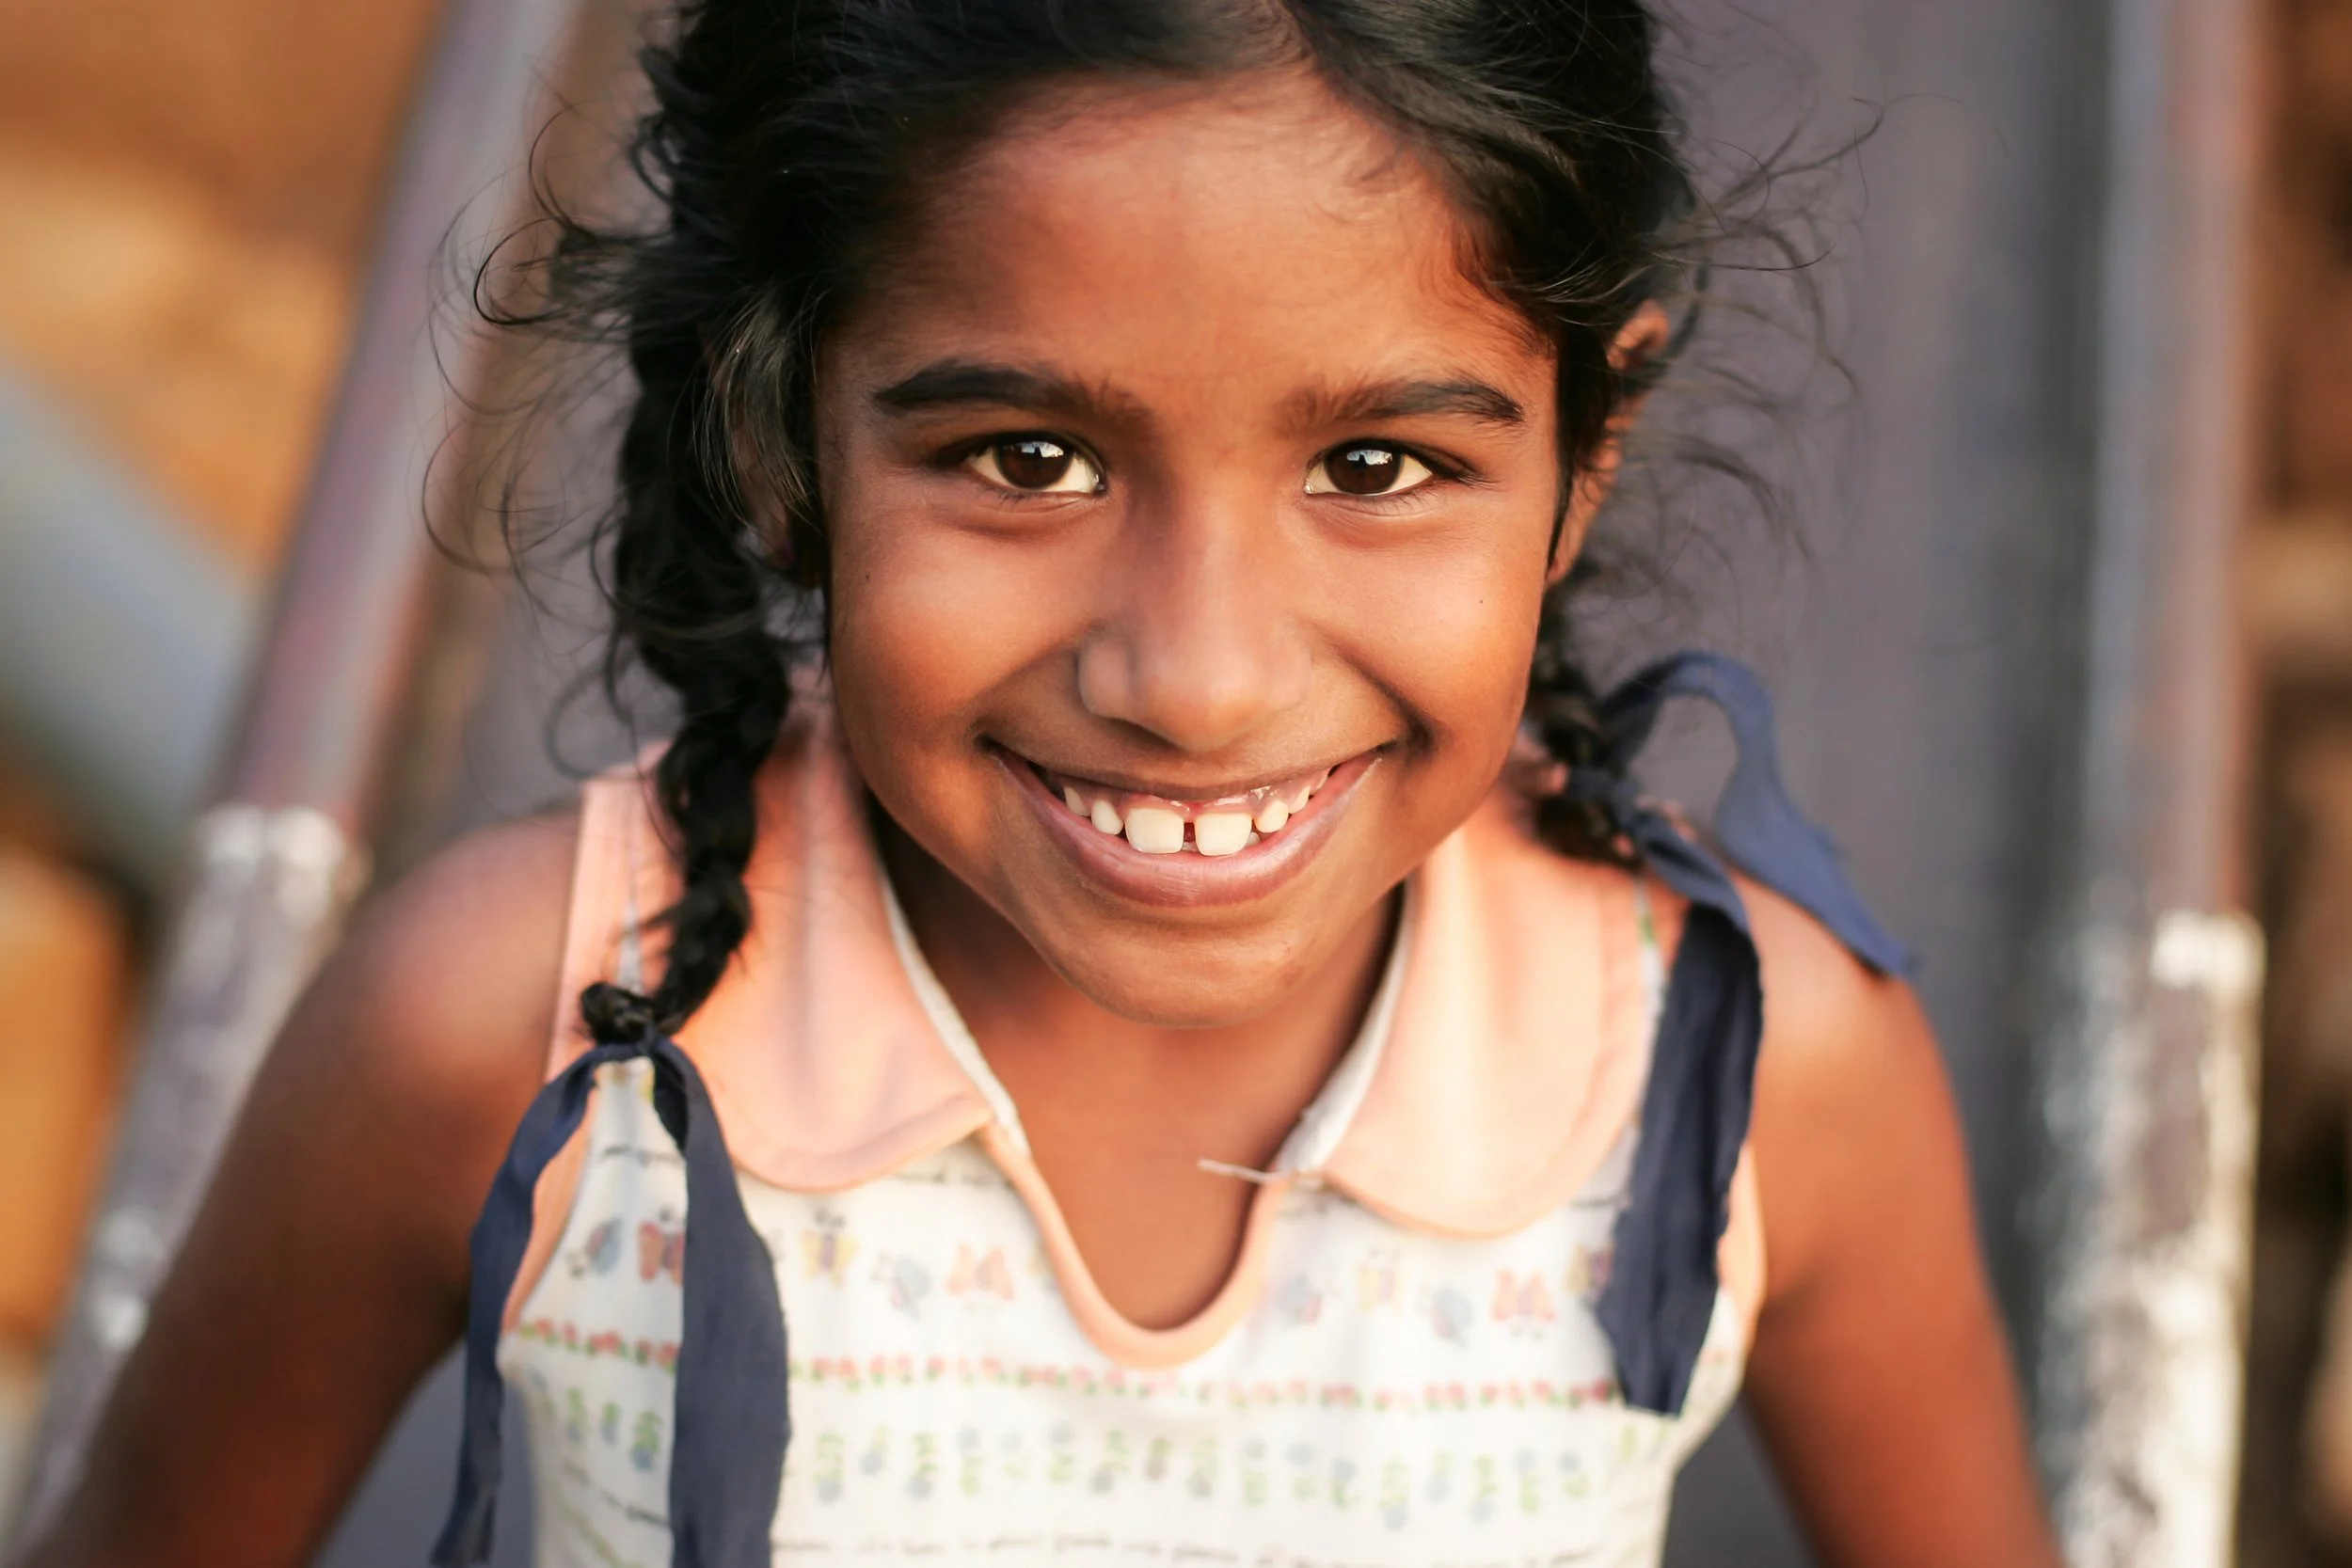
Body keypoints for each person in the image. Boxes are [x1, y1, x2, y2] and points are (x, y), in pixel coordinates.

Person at [21, 3, 2060, 1564]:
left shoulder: (1749, 1068)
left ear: (1578, 455)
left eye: (1375, 468)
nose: (1192, 675)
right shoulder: (506, 1039)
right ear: (775, 445)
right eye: (1025, 458)